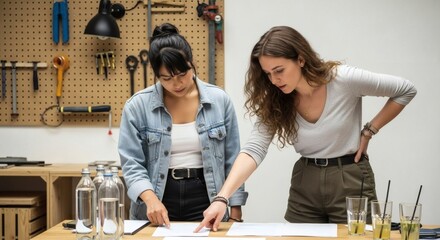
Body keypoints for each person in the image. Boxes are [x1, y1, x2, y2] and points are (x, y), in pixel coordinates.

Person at [195, 25, 417, 231]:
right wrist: (221, 198)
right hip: (305, 181)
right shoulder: (276, 98)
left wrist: (370, 130)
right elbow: (254, 149)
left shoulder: (343, 79)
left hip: (350, 177)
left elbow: (405, 90)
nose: (274, 80)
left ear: (300, 59)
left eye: (279, 70)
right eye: (268, 73)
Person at [118, 23, 248, 227]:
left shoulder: (219, 100)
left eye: (182, 74)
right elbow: (132, 164)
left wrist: (235, 213)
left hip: (208, 199)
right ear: (156, 74)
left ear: (191, 63)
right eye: (167, 78)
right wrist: (151, 200)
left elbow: (233, 160)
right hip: (157, 200)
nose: (177, 84)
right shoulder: (137, 106)